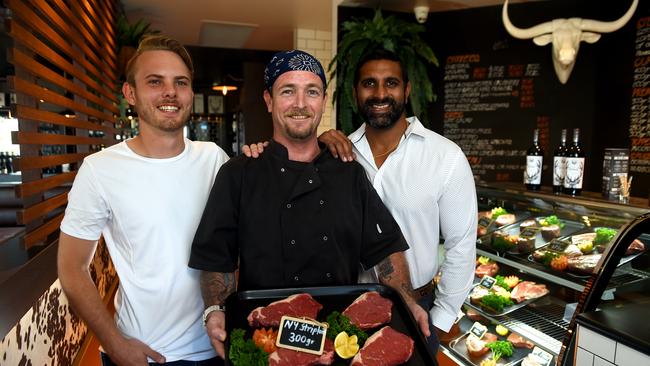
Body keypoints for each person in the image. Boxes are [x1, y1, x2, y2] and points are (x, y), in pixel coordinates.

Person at [188, 50, 430, 360]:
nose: (301, 104)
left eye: (311, 92)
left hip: (339, 341)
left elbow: (385, 249)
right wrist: (215, 309)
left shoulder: (349, 172)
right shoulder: (239, 173)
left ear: (324, 100)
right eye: (288, 91)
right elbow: (215, 258)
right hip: (266, 339)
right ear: (269, 99)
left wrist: (408, 302)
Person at [246, 48, 477, 354]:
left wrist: (440, 318)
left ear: (406, 90)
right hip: (345, 309)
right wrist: (265, 153)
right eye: (369, 84)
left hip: (415, 305)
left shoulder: (445, 156)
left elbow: (461, 244)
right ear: (355, 93)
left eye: (391, 83)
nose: (380, 93)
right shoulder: (335, 152)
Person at [57, 35, 229, 366]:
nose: (170, 92)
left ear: (191, 93)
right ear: (130, 93)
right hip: (143, 353)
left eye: (181, 82)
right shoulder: (100, 170)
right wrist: (115, 344)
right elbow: (71, 267)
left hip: (214, 346)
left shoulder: (214, 159)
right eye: (155, 82)